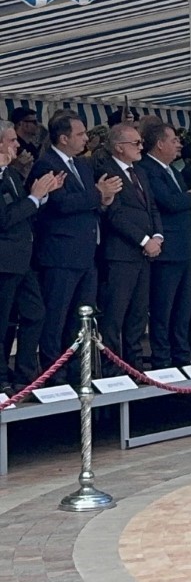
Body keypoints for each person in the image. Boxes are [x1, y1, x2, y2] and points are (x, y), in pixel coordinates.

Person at [28, 112, 119, 381]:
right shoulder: (46, 164)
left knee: (80, 318)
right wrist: (98, 194)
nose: (85, 139)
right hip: (60, 254)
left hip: (86, 253)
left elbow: (89, 202)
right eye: (79, 134)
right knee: (56, 317)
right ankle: (53, 373)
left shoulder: (82, 164)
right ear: (63, 138)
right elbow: (62, 204)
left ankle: (78, 370)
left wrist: (104, 199)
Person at [94, 123, 162, 367]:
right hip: (121, 255)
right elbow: (116, 215)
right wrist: (144, 240)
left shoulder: (139, 172)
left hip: (144, 254)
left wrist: (158, 236)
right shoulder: (107, 171)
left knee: (138, 313)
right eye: (135, 143)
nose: (141, 147)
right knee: (115, 313)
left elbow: (151, 207)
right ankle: (112, 368)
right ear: (119, 147)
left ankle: (135, 365)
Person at [0, 120, 58, 393]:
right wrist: (34, 198)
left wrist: (42, 195)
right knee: (2, 322)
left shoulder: (11, 173)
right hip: (4, 261)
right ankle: (2, 377)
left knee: (35, 313)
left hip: (23, 259)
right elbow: (5, 218)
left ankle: (25, 373)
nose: (17, 145)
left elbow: (25, 208)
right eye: (11, 140)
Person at [138, 117, 191, 368]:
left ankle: (181, 355)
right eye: (173, 140)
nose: (179, 145)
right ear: (160, 144)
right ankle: (162, 359)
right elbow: (169, 202)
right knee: (163, 308)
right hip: (167, 250)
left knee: (183, 308)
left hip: (185, 248)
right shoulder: (148, 169)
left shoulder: (172, 170)